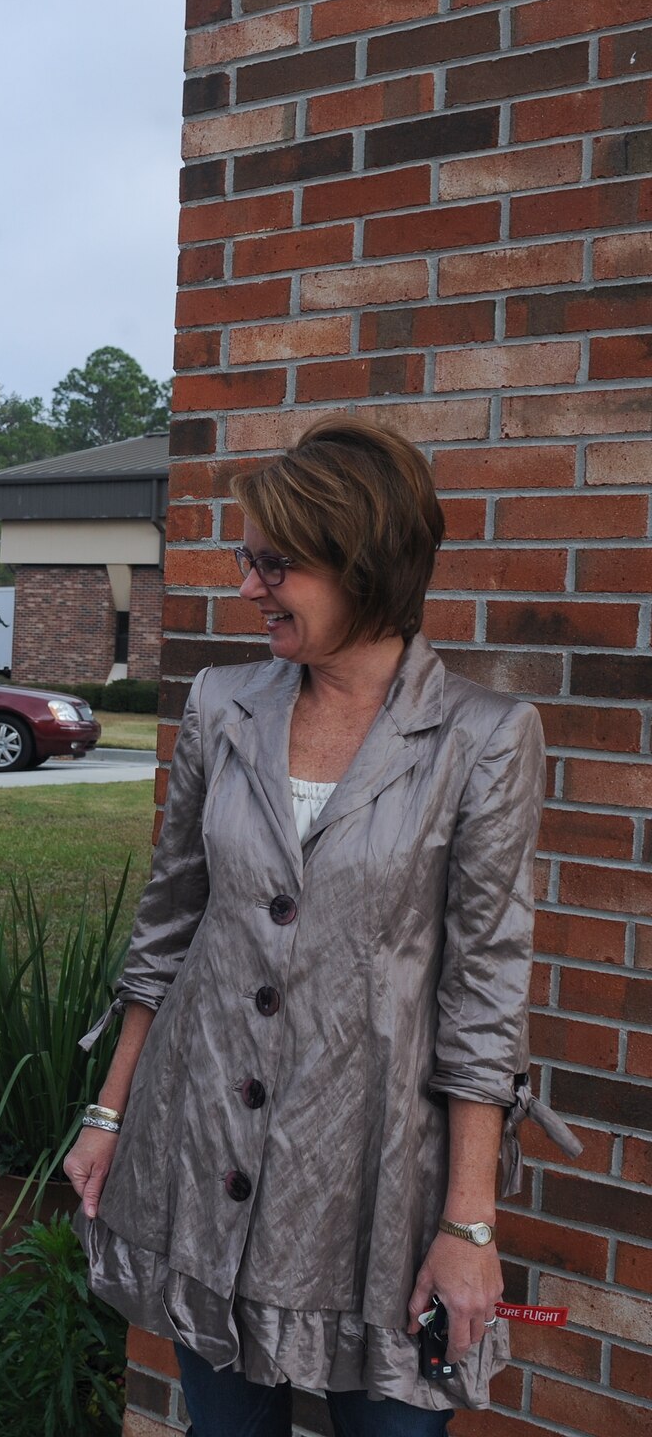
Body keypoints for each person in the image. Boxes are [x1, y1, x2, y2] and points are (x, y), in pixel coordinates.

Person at [61, 417, 578, 1435]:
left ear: (363, 565)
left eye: (274, 564)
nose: (248, 585)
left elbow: (482, 993)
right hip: (204, 1147)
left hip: (376, 1186)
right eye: (249, 560)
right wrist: (109, 1110)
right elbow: (167, 922)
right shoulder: (221, 707)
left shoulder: (480, 740)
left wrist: (468, 1224)